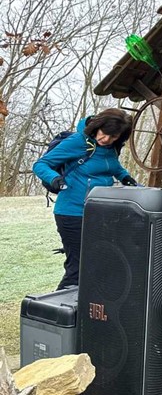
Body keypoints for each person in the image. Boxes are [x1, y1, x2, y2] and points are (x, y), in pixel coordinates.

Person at [33, 108, 136, 289]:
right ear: (98, 126)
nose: (106, 139)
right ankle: (56, 305)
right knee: (78, 268)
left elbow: (113, 166)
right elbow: (40, 164)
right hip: (72, 212)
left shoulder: (111, 147)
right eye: (104, 133)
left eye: (113, 137)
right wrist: (54, 178)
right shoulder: (78, 141)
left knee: (100, 263)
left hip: (100, 213)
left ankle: (88, 305)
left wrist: (125, 176)